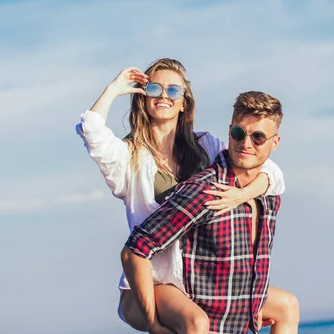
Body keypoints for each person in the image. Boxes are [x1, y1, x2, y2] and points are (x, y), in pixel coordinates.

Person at [76, 59, 299, 333]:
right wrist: (114, 88)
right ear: (142, 97)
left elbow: (262, 165)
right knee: (195, 322)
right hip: (154, 282)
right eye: (154, 88)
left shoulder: (204, 146)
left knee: (286, 305)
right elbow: (92, 133)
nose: (163, 96)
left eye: (173, 91)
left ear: (184, 103)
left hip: (197, 281)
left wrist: (242, 194)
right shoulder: (128, 157)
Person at [122, 90, 287, 334]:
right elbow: (134, 250)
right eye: (239, 134)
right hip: (192, 312)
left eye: (258, 137)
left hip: (232, 316)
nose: (246, 144)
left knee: (288, 306)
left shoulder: (268, 194)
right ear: (229, 131)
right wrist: (153, 324)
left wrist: (252, 307)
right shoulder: (206, 191)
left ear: (275, 142)